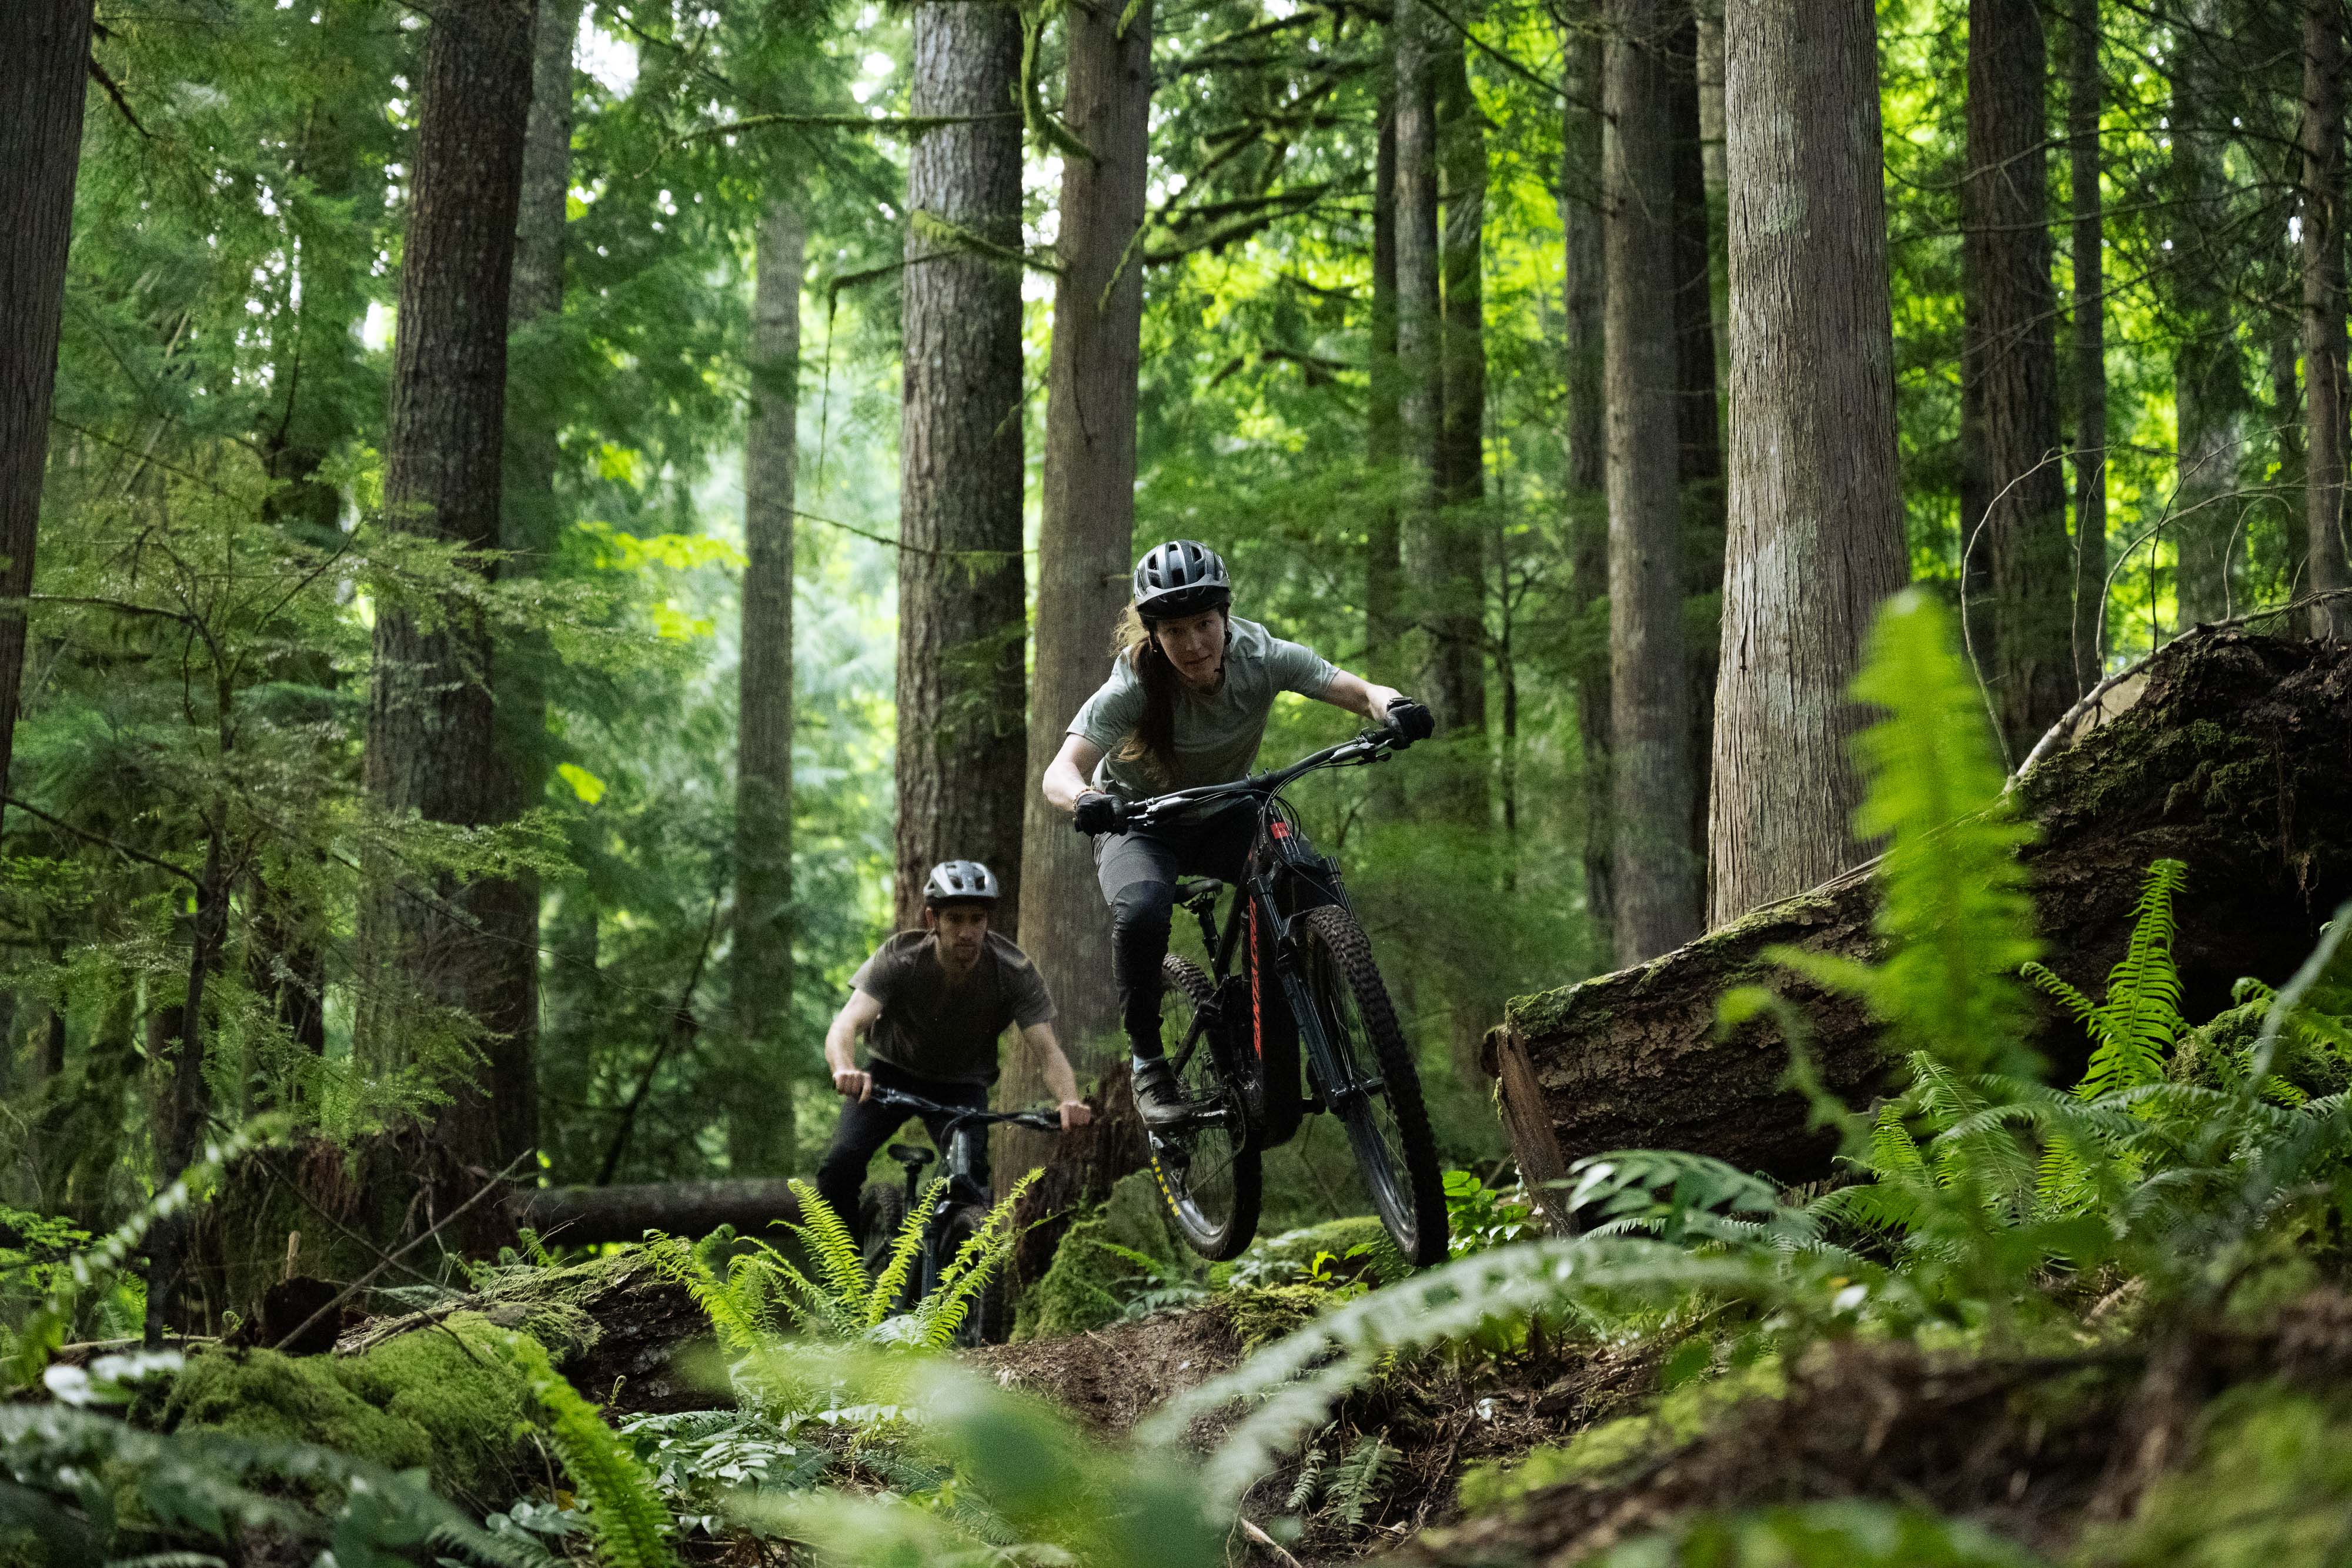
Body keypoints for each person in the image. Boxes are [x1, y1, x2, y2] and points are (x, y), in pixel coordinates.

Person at [1039, 540, 1427, 1124]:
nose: (1193, 644)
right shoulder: (1133, 688)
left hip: (1226, 809)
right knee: (1143, 911)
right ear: (1153, 635)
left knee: (1303, 873)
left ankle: (1325, 1029)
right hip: (1139, 824)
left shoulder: (1261, 655)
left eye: (1204, 624)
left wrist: (1392, 706)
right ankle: (1148, 1062)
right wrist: (1088, 800)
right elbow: (1058, 773)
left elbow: (1352, 689)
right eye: (1174, 631)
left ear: (1225, 616)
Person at [814, 859, 1093, 1235]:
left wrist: (1069, 1101)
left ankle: (954, 1284)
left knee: (970, 1188)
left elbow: (1048, 1051)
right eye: (955, 919)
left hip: (962, 1085)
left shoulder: (1013, 972)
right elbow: (847, 1023)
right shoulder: (901, 957)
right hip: (889, 1074)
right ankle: (845, 1282)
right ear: (933, 920)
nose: (967, 931)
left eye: (976, 920)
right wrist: (844, 1068)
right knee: (840, 1166)